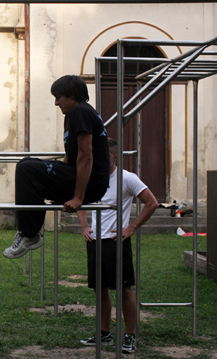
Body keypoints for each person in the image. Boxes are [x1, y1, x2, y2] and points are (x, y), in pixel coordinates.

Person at [3, 75, 110, 259]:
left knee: (25, 170)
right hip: (77, 177)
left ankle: (30, 234)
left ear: (72, 96)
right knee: (26, 163)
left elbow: (86, 156)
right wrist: (57, 187)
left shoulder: (81, 112)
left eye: (58, 97)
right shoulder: (72, 115)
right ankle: (31, 231)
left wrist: (77, 197)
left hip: (91, 183)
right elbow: (71, 156)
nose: (56, 103)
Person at [77, 138, 158, 354]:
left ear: (114, 157)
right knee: (100, 289)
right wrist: (84, 225)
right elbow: (78, 200)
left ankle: (130, 336)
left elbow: (152, 203)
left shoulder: (126, 178)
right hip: (95, 241)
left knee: (124, 289)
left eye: (103, 157)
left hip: (116, 242)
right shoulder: (92, 177)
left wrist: (131, 227)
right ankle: (104, 334)